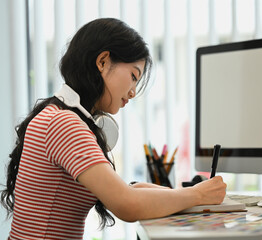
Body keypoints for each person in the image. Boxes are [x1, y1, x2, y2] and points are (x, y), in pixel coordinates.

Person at [0, 18, 226, 240]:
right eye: (133, 76)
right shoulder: (64, 124)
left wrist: (192, 194)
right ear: (103, 62)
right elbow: (126, 203)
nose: (133, 92)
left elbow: (129, 190)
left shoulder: (56, 114)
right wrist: (197, 194)